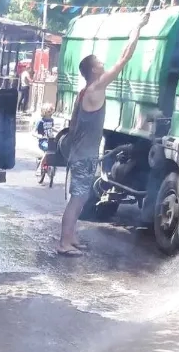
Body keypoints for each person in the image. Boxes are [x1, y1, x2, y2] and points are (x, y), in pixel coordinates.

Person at [58, 16, 147, 256]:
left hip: (82, 154)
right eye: (99, 62)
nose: (103, 64)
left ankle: (71, 237)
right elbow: (124, 58)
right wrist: (137, 27)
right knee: (77, 199)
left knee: (81, 197)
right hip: (83, 156)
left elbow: (73, 126)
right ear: (93, 70)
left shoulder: (85, 91)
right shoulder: (96, 88)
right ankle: (64, 243)